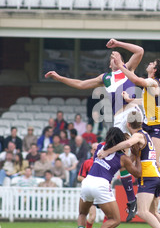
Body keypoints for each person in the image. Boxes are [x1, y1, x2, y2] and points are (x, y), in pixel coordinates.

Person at [45, 38, 144, 218]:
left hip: (131, 111)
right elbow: (81, 84)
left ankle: (148, 182)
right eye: (111, 58)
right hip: (118, 119)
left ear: (121, 60)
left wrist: (118, 45)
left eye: (115, 57)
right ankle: (131, 200)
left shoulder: (128, 69)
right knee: (121, 157)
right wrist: (59, 78)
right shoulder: (105, 78)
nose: (112, 59)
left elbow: (139, 51)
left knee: (137, 145)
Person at [109, 51, 160, 211]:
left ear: (154, 70)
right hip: (149, 124)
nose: (149, 64)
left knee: (153, 162)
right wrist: (130, 100)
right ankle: (143, 195)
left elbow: (135, 79)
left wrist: (121, 65)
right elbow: (146, 100)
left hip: (158, 125)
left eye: (152, 63)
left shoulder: (154, 82)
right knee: (137, 159)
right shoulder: (153, 84)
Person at [77, 127, 142, 228]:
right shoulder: (123, 158)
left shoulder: (100, 147)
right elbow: (137, 173)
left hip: (87, 181)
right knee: (115, 219)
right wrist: (137, 156)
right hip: (101, 184)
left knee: (82, 213)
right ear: (121, 141)